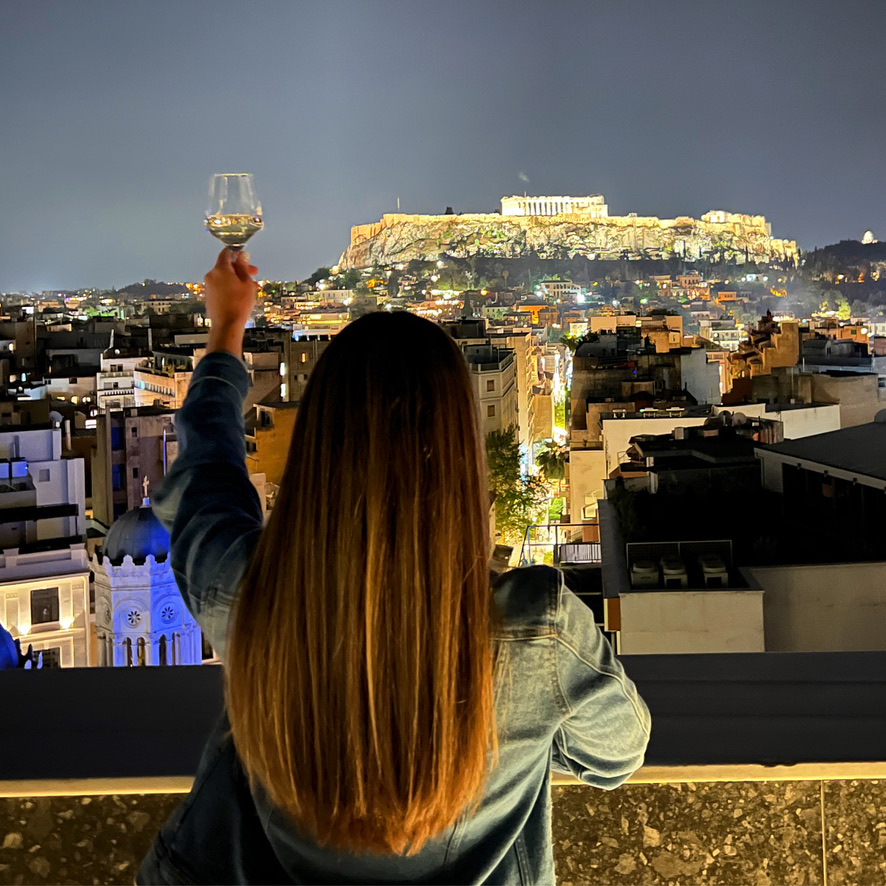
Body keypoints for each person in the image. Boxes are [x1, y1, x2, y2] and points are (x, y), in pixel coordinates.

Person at [137, 249, 651, 885]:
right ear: (461, 455)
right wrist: (523, 732)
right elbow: (618, 754)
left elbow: (206, 474)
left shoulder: (246, 592)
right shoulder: (537, 631)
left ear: (318, 448)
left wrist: (226, 333)